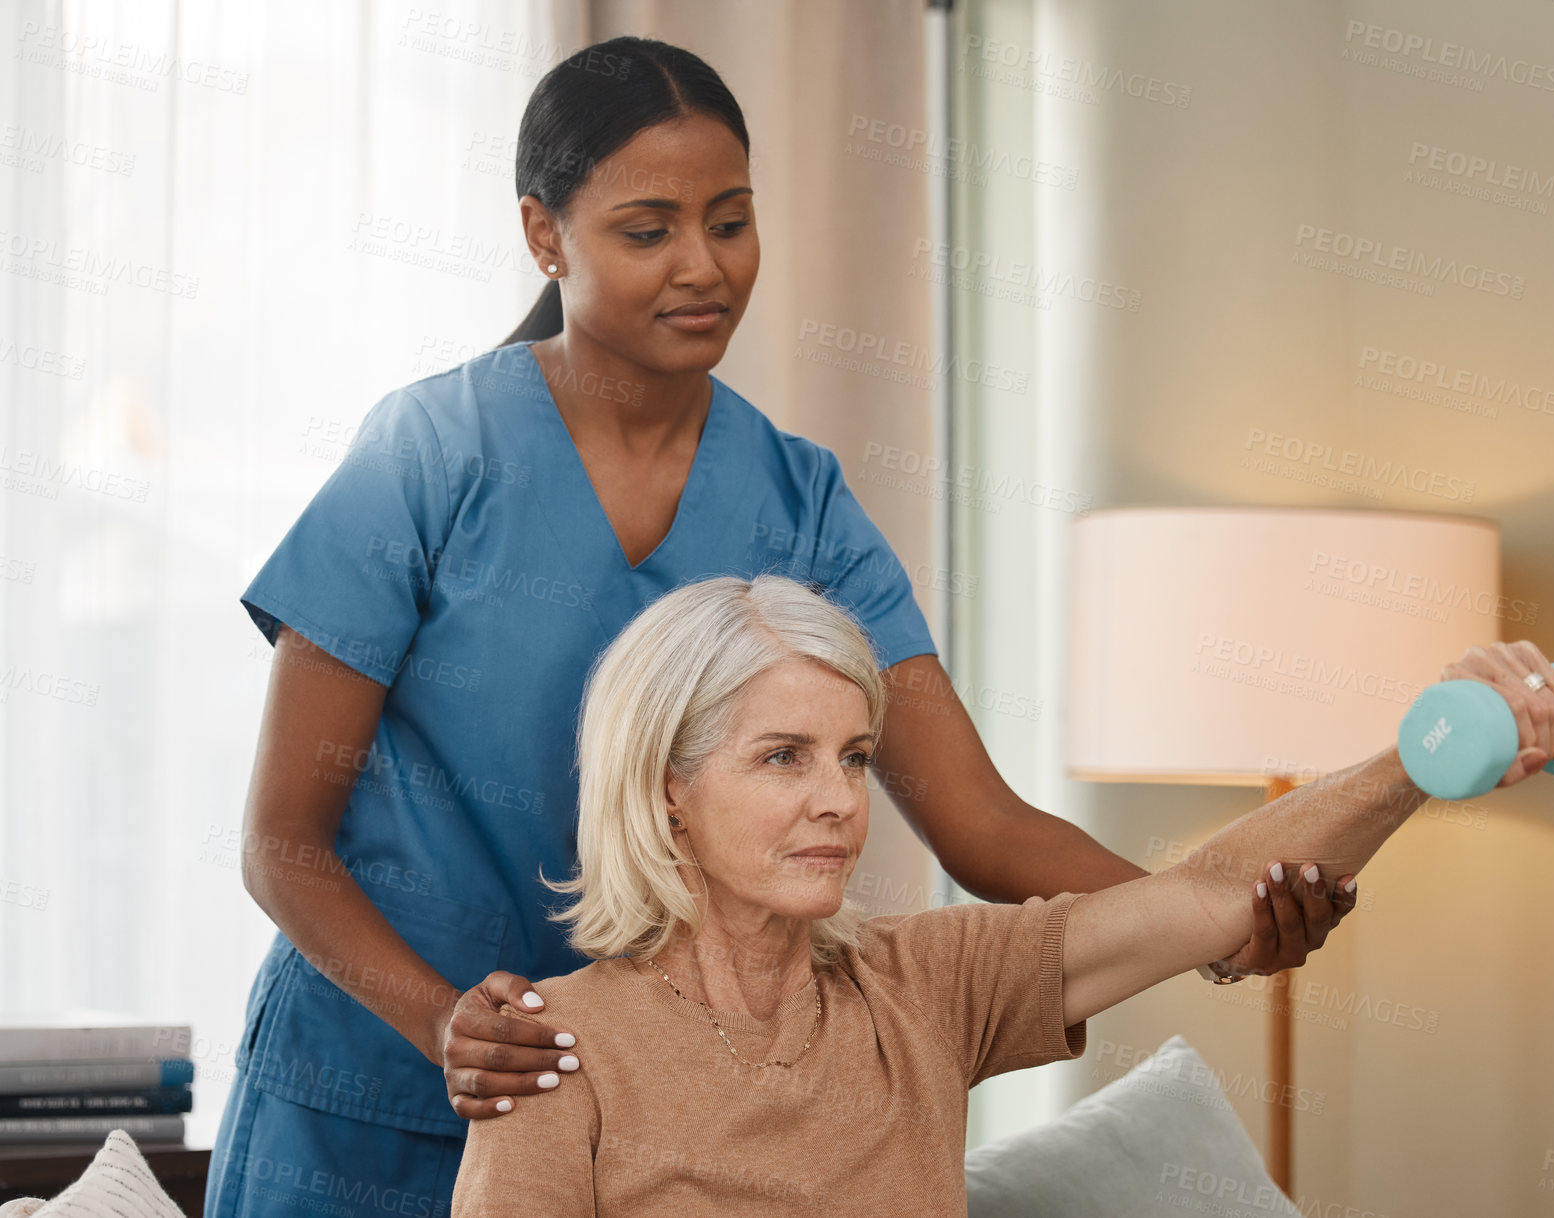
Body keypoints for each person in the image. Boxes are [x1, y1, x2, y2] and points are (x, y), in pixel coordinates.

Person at [204, 35, 1358, 1218]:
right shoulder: (429, 457)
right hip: (357, 1099)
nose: (701, 267)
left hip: (636, 1114)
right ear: (545, 237)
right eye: (646, 230)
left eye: (731, 220)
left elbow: (980, 824)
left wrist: (1216, 922)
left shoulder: (800, 501)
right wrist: (442, 1021)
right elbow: (281, 841)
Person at [448, 575, 1554, 1215]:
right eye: (782, 757)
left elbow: (1208, 894)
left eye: (852, 756)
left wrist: (1419, 755)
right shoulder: (548, 1050)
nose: (839, 800)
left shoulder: (924, 980)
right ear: (666, 790)